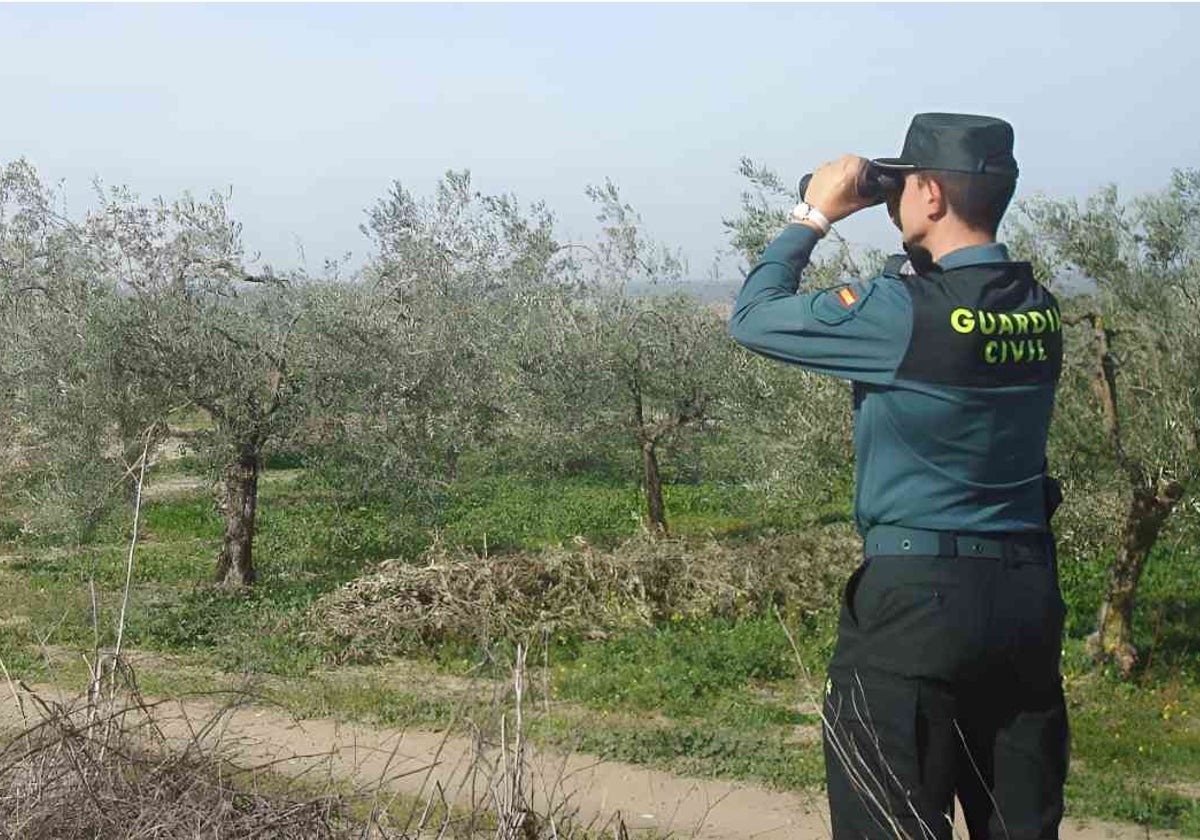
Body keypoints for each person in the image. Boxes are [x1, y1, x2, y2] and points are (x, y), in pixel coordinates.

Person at [728, 113, 1068, 839]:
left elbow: (754, 317)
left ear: (933, 197)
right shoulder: (1041, 312)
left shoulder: (899, 315)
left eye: (904, 187)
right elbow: (956, 306)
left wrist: (815, 213)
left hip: (917, 610)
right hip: (1025, 604)